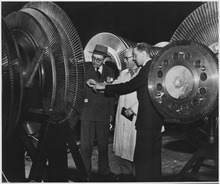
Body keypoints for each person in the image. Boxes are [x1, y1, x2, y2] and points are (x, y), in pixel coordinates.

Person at [87, 42, 163, 182]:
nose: (133, 58)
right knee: (151, 160)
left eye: (134, 55)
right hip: (152, 120)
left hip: (145, 121)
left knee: (143, 161)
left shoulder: (147, 68)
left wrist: (102, 87)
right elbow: (119, 84)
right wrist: (103, 85)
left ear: (142, 53)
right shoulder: (152, 67)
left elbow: (128, 86)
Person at [80, 44, 116, 181]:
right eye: (93, 58)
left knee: (103, 145)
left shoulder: (110, 72)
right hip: (87, 112)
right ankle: (85, 173)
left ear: (104, 60)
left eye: (98, 60)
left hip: (103, 112)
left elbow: (112, 95)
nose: (95, 61)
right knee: (86, 146)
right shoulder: (84, 68)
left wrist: (111, 114)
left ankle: (104, 173)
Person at [112, 48, 140, 181]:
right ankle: (125, 177)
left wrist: (134, 109)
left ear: (134, 58)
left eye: (126, 58)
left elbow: (146, 96)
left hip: (135, 115)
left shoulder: (142, 74)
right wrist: (102, 85)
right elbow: (115, 85)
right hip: (123, 115)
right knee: (123, 148)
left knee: (135, 149)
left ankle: (136, 177)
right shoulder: (123, 74)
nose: (124, 61)